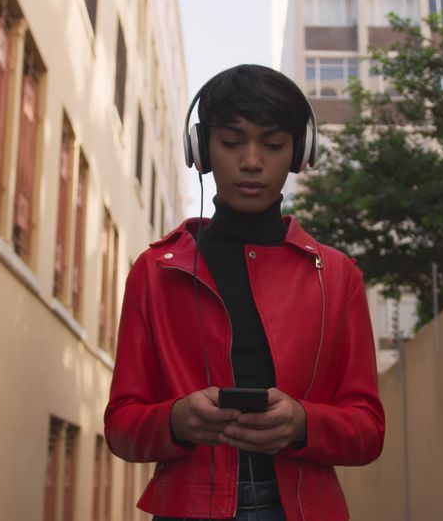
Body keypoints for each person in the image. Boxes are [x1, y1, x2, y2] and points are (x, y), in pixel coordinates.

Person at [105, 64, 385, 520]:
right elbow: (120, 426)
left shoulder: (338, 276)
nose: (252, 160)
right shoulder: (154, 272)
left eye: (273, 144)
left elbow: (369, 430)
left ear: (300, 153)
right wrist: (175, 420)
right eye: (232, 142)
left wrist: (303, 424)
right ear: (202, 150)